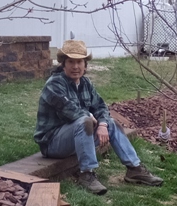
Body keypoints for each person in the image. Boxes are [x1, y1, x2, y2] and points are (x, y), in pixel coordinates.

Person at [34, 40, 163, 195]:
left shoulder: (86, 83)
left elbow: (101, 107)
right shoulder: (54, 84)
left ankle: (134, 169)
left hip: (76, 138)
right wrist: (92, 118)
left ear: (85, 64)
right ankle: (87, 174)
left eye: (79, 62)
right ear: (63, 64)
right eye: (71, 62)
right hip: (52, 143)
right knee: (85, 120)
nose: (76, 66)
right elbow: (71, 111)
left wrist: (102, 124)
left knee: (112, 123)